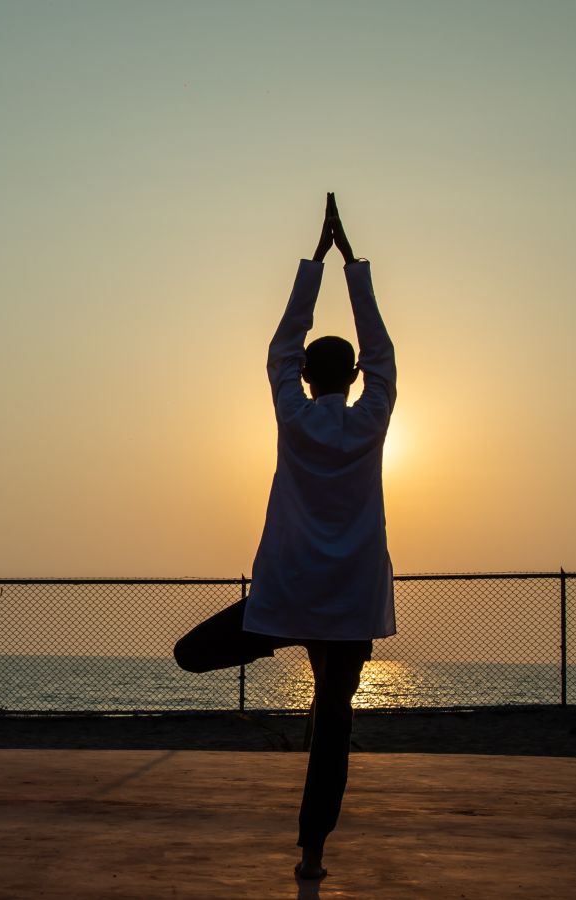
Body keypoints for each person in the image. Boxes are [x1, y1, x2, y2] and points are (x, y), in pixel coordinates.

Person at [173, 193, 396, 882]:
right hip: (349, 603)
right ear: (354, 378)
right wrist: (354, 266)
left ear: (304, 376)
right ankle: (312, 852)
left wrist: (317, 263)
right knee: (333, 724)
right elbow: (383, 353)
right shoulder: (370, 422)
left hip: (291, 596)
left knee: (192, 654)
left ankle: (275, 638)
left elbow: (280, 347)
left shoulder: (295, 420)